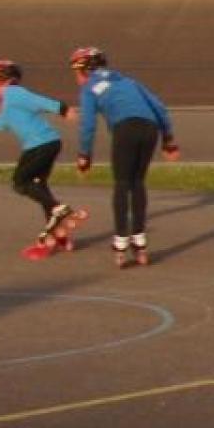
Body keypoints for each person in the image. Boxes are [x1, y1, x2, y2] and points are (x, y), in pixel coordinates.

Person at [0, 59, 85, 259]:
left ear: (2, 81)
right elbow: (1, 121)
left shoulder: (14, 93)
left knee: (20, 182)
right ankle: (58, 235)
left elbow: (40, 101)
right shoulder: (9, 103)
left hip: (40, 145)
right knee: (39, 186)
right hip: (47, 144)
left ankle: (59, 209)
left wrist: (62, 109)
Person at [71, 47, 179, 267]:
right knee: (137, 182)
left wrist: (84, 155)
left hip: (125, 129)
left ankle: (121, 242)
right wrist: (168, 139)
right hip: (149, 128)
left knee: (122, 184)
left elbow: (88, 125)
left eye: (76, 72)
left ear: (84, 70)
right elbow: (159, 107)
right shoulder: (127, 81)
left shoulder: (89, 88)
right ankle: (140, 241)